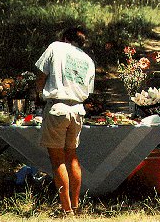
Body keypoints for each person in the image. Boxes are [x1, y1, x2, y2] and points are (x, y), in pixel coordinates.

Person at [35, 26, 95, 216]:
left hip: (58, 107)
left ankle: (66, 209)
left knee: (57, 159)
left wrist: (38, 94)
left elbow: (41, 76)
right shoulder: (88, 60)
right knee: (72, 157)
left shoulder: (56, 47)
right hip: (78, 109)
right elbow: (89, 91)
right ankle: (76, 206)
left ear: (65, 38)